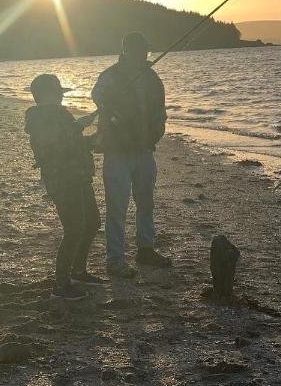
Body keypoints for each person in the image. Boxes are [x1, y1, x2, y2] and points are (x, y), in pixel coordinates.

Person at [92, 32, 172, 277]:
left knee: (146, 202)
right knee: (117, 206)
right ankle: (115, 259)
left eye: (144, 49)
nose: (142, 53)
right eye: (137, 49)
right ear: (126, 50)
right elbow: (96, 96)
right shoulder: (110, 76)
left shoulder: (151, 77)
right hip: (117, 150)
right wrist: (112, 96)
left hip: (145, 149)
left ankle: (145, 249)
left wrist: (155, 133)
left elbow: (160, 108)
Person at [25, 73, 102, 300]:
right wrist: (78, 126)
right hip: (63, 181)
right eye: (58, 93)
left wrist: (92, 140)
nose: (60, 97)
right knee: (74, 229)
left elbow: (71, 143)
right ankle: (61, 284)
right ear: (48, 94)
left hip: (79, 177)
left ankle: (78, 272)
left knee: (92, 223)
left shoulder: (58, 114)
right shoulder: (39, 118)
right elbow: (53, 145)